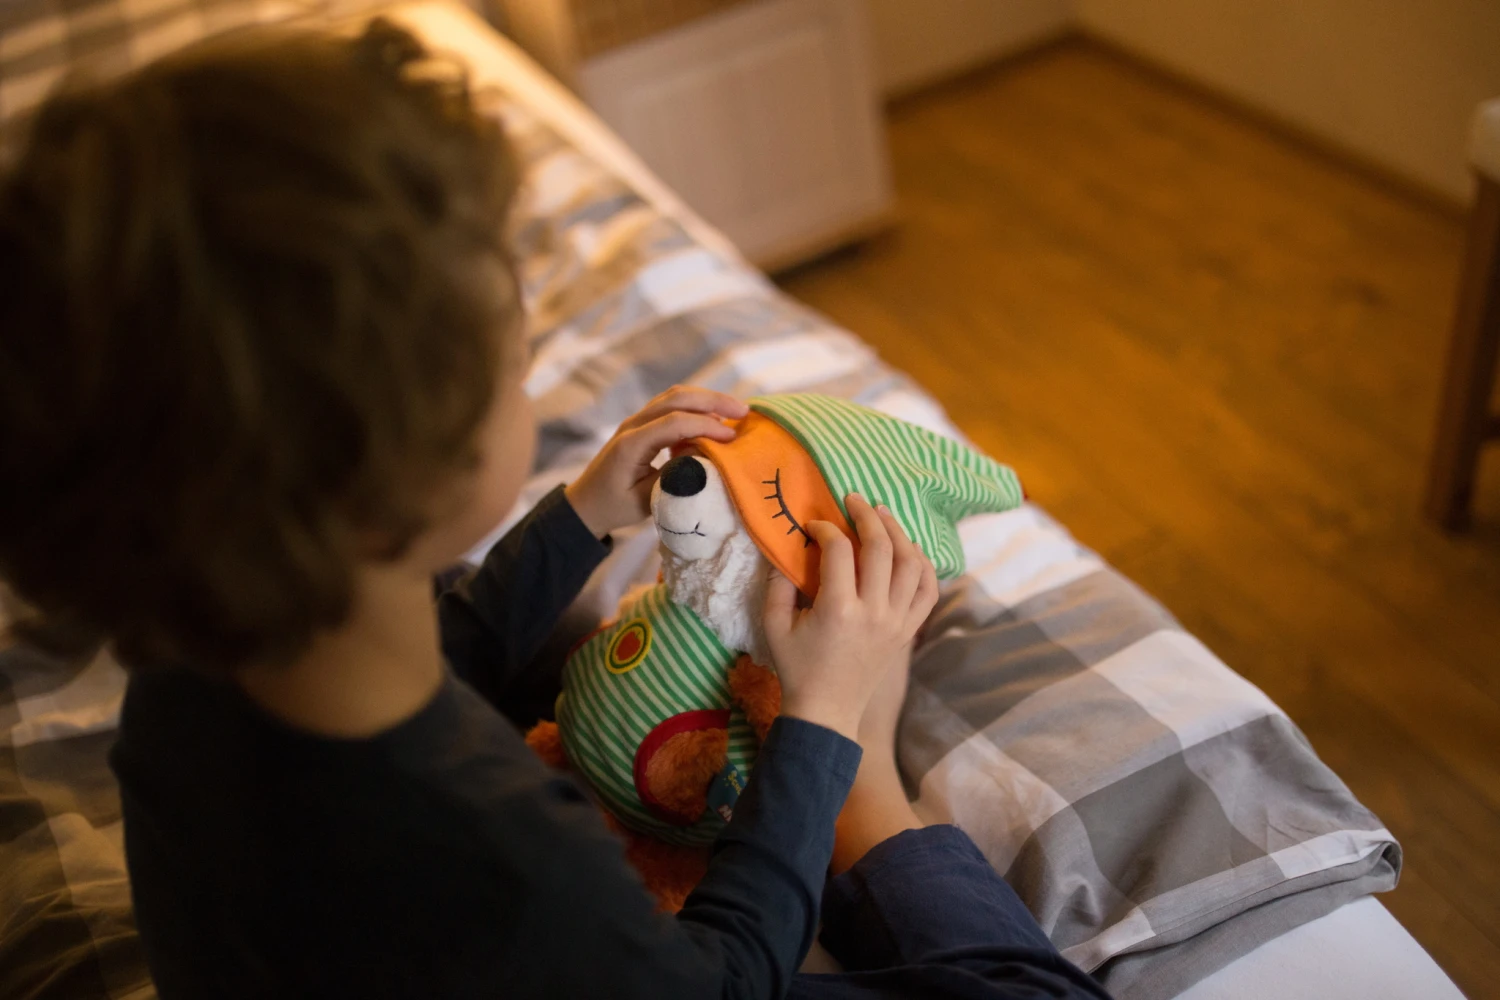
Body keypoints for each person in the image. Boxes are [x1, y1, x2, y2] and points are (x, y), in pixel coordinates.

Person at [0, 19, 1110, 1000]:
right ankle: (874, 791)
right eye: (511, 361)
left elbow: (441, 657)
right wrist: (825, 727)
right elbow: (722, 981)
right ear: (403, 467)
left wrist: (580, 516)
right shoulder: (499, 848)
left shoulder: (191, 673)